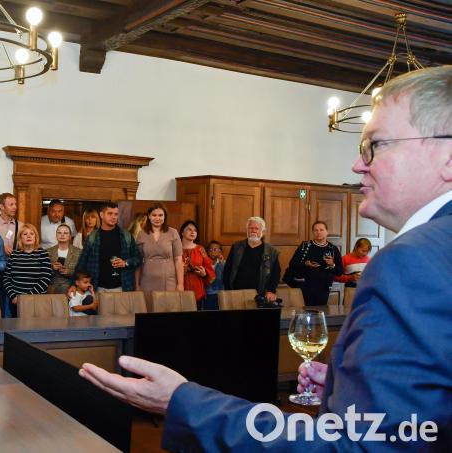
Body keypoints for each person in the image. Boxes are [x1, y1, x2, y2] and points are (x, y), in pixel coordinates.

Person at [80, 66, 452, 451]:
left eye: (375, 145)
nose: (358, 165)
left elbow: (360, 447)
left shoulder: (411, 262)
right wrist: (352, 390)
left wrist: (182, 402)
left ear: (447, 156)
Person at [75, 202, 141, 292]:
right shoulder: (92, 237)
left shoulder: (126, 235)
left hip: (122, 287)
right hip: (97, 287)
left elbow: (138, 258)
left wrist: (125, 263)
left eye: (116, 214)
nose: (113, 217)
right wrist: (73, 285)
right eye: (110, 213)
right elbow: (82, 263)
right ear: (101, 215)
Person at [222, 216, 281, 302]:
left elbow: (276, 274)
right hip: (236, 293)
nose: (253, 231)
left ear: (263, 232)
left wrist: (271, 291)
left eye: (256, 228)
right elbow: (227, 269)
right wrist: (228, 290)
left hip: (259, 295)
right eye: (251, 228)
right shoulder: (236, 247)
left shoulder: (272, 251)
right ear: (247, 230)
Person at [134, 203, 183, 304]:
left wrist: (180, 284)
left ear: (165, 216)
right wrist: (137, 284)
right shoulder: (142, 234)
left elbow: (178, 260)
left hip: (168, 281)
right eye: (154, 215)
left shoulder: (173, 232)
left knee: (167, 312)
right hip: (147, 280)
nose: (157, 218)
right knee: (148, 313)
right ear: (149, 216)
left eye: (160, 215)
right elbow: (137, 261)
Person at [286, 220, 343, 306]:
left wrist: (332, 265)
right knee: (305, 312)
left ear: (327, 232)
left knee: (320, 312)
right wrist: (305, 264)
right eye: (316, 230)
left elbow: (339, 272)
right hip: (304, 286)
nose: (318, 232)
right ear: (313, 232)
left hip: (324, 287)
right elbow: (292, 264)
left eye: (321, 230)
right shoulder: (305, 246)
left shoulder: (333, 249)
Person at [2, 223, 52, 316]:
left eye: (31, 234)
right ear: (20, 238)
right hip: (15, 301)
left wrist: (26, 297)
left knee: (34, 328)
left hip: (36, 301)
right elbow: (6, 278)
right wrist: (13, 296)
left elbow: (46, 279)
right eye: (25, 234)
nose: (28, 236)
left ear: (36, 237)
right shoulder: (14, 254)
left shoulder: (43, 253)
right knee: (16, 328)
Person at [179, 220, 215, 309]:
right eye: (189, 229)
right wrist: (179, 271)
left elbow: (209, 268)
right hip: (179, 290)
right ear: (182, 233)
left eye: (195, 230)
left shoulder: (200, 249)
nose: (193, 232)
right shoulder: (175, 248)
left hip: (197, 291)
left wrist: (204, 274)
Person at [46, 224, 81, 294]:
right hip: (51, 287)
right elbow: (43, 272)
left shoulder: (78, 252)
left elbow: (82, 272)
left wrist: (69, 272)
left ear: (70, 236)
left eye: (65, 233)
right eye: (59, 233)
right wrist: (52, 268)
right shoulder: (48, 252)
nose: (62, 235)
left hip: (71, 286)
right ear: (56, 235)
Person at [204, 240, 224, 310]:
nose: (212, 251)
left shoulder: (223, 264)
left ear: (220, 252)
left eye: (215, 249)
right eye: (210, 249)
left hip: (220, 294)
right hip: (207, 294)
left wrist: (221, 265)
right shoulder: (204, 264)